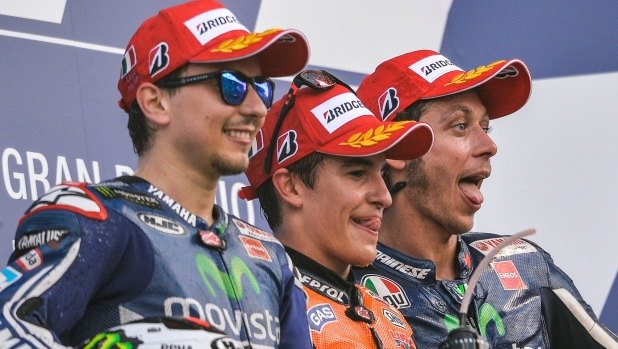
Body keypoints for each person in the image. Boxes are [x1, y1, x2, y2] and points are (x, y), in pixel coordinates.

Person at [0, 1, 313, 348]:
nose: (257, 108)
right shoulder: (97, 218)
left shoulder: (270, 257)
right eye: (232, 84)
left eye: (262, 88)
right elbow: (8, 329)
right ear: (156, 102)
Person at [353, 50, 618, 349]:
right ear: (398, 148)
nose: (489, 145)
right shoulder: (344, 297)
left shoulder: (525, 263)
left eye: (486, 127)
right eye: (460, 126)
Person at [238, 69, 435, 348]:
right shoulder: (256, 307)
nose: (384, 197)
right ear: (291, 187)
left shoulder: (388, 315)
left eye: (382, 173)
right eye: (357, 173)